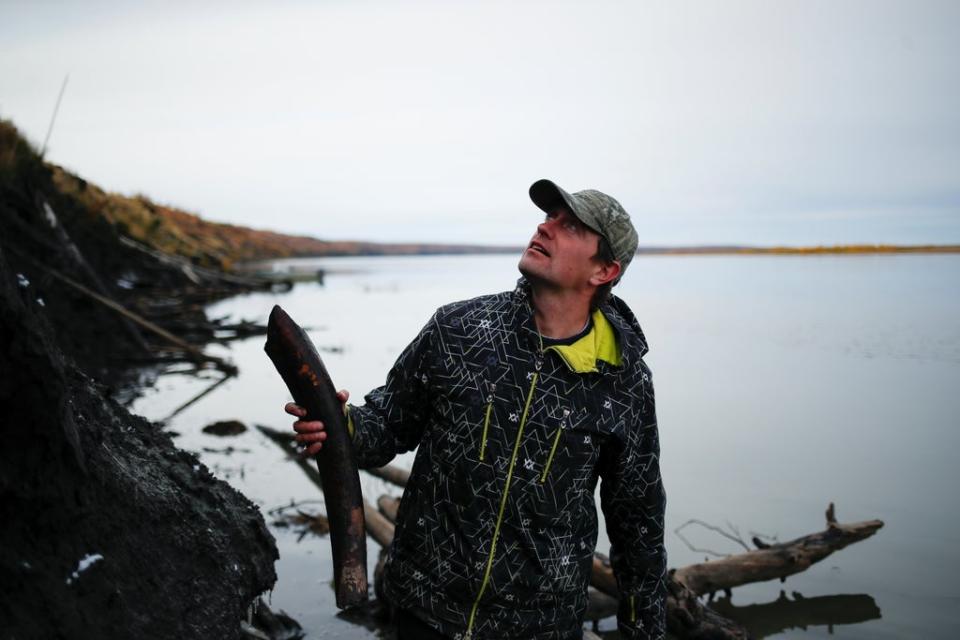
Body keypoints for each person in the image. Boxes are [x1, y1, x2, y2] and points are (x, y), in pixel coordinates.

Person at [286, 179, 666, 639]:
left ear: (604, 271)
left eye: (570, 226)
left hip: (539, 626)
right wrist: (339, 427)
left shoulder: (623, 380)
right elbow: (387, 426)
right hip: (423, 609)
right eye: (548, 217)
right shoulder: (459, 329)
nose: (545, 227)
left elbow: (637, 520)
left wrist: (644, 629)